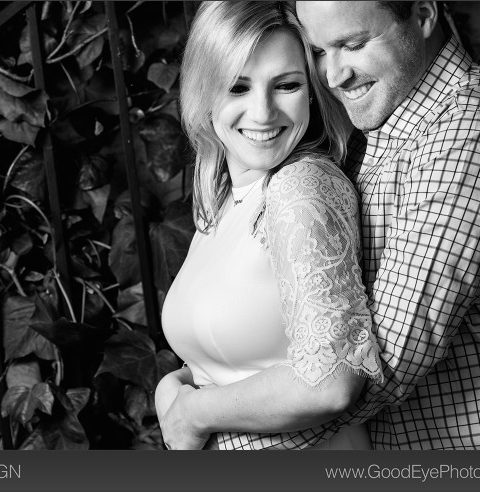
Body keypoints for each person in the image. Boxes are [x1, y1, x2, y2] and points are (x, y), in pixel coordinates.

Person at [254, 0, 480, 449]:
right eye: (318, 51)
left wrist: (203, 415)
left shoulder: (475, 127)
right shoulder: (377, 131)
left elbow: (377, 368)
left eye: (352, 44)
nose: (334, 75)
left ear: (424, 14)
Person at [155, 1, 384, 450]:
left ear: (313, 92)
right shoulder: (224, 202)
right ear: (205, 91)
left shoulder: (299, 186)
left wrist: (192, 414)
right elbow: (232, 355)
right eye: (238, 87)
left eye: (286, 85)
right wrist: (173, 386)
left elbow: (333, 381)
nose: (262, 113)